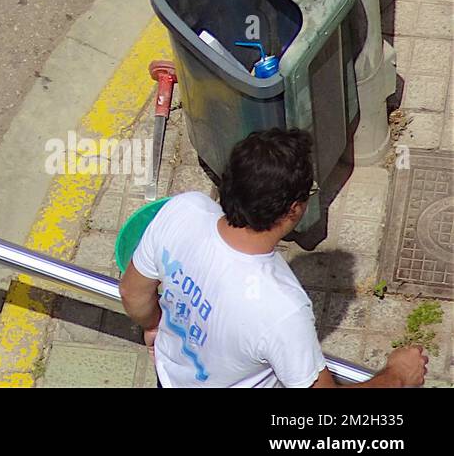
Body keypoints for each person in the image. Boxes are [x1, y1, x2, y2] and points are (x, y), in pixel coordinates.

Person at [119, 129, 428, 388]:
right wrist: (399, 375)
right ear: (294, 209)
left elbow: (132, 293)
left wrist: (156, 326)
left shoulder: (183, 209)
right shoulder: (283, 308)